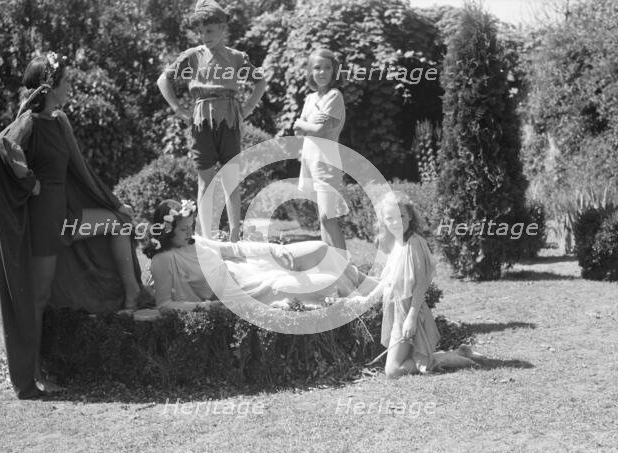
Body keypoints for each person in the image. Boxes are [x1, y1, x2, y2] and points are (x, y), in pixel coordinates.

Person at [0, 52, 146, 399]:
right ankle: (31, 379)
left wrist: (116, 203)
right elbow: (0, 146)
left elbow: (82, 170)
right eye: (67, 82)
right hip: (45, 225)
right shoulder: (29, 122)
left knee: (118, 224)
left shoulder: (59, 121)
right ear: (50, 88)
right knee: (39, 297)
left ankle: (132, 293)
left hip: (67, 220)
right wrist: (30, 182)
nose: (71, 87)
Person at [156, 0, 267, 242]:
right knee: (205, 181)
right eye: (201, 31)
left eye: (210, 30)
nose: (205, 36)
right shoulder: (193, 56)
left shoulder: (237, 58)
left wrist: (247, 107)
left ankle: (235, 236)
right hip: (201, 121)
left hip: (230, 120)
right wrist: (178, 109)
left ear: (222, 28)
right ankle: (206, 238)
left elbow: (260, 81)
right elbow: (163, 80)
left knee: (230, 179)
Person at [144, 199, 374, 313]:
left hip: (251, 267)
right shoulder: (163, 260)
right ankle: (369, 295)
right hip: (247, 288)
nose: (189, 232)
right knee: (322, 282)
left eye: (190, 226)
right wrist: (207, 307)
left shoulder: (196, 242)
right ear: (166, 231)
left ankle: (370, 286)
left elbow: (235, 249)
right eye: (184, 229)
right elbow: (165, 304)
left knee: (321, 249)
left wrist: (275, 249)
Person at [348, 192, 486, 378]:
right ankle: (457, 353)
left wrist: (411, 318)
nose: (396, 222)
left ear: (410, 216)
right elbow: (387, 280)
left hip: (407, 311)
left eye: (401, 216)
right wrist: (368, 299)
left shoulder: (415, 244)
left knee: (393, 371)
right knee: (399, 365)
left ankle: (450, 358)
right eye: (390, 218)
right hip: (395, 310)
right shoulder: (396, 244)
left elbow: (421, 285)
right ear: (383, 220)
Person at [293, 48, 348, 251]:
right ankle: (330, 265)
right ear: (310, 71)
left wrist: (304, 125)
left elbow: (319, 129)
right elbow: (299, 131)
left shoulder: (335, 96)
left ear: (334, 71)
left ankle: (345, 267)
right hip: (309, 161)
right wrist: (307, 127)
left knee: (328, 216)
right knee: (321, 217)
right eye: (317, 68)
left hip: (327, 163)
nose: (322, 72)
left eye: (327, 68)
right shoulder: (310, 99)